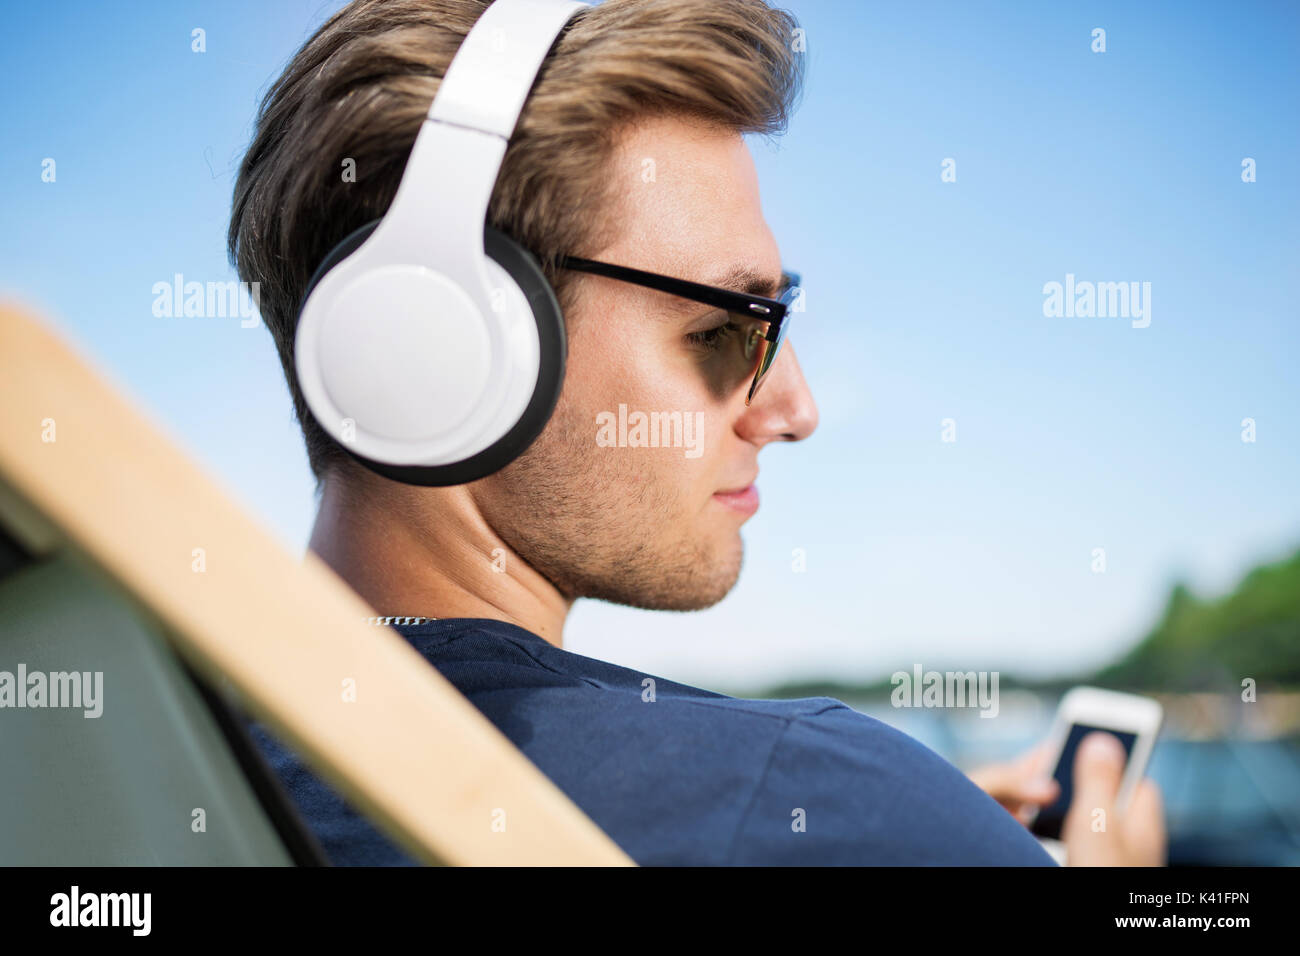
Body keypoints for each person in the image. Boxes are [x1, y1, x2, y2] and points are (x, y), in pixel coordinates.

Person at [227, 0, 1164, 865]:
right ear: (443, 345)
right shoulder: (823, 803)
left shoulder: (143, 765)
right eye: (723, 329)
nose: (793, 411)